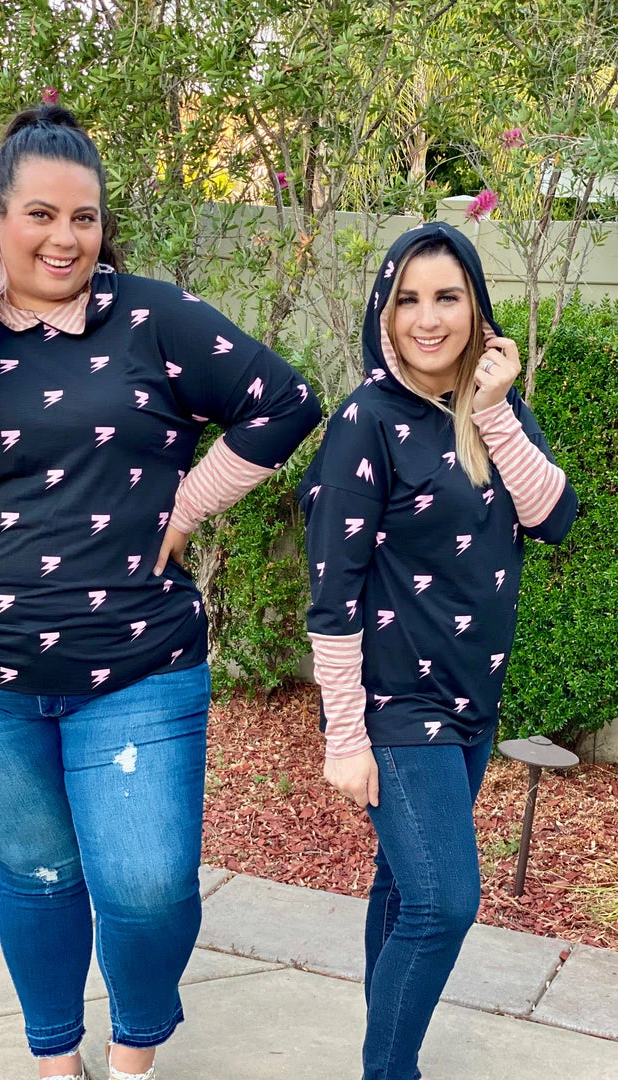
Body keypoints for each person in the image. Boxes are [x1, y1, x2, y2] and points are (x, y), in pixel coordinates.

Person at [0, 104, 320, 1080]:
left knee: (148, 888)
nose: (64, 237)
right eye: (40, 214)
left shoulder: (153, 318)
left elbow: (284, 402)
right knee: (39, 874)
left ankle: (134, 1046)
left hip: (137, 662)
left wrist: (188, 504)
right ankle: (55, 1059)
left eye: (84, 217)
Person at [298, 221, 577, 1080]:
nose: (427, 318)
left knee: (401, 886)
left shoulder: (494, 411)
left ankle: (384, 1057)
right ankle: (390, 1071)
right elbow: (332, 596)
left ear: (476, 308)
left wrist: (492, 412)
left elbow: (553, 518)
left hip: (471, 699)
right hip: (396, 705)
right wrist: (344, 735)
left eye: (447, 297)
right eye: (408, 299)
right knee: (444, 904)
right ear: (383, 313)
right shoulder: (365, 423)